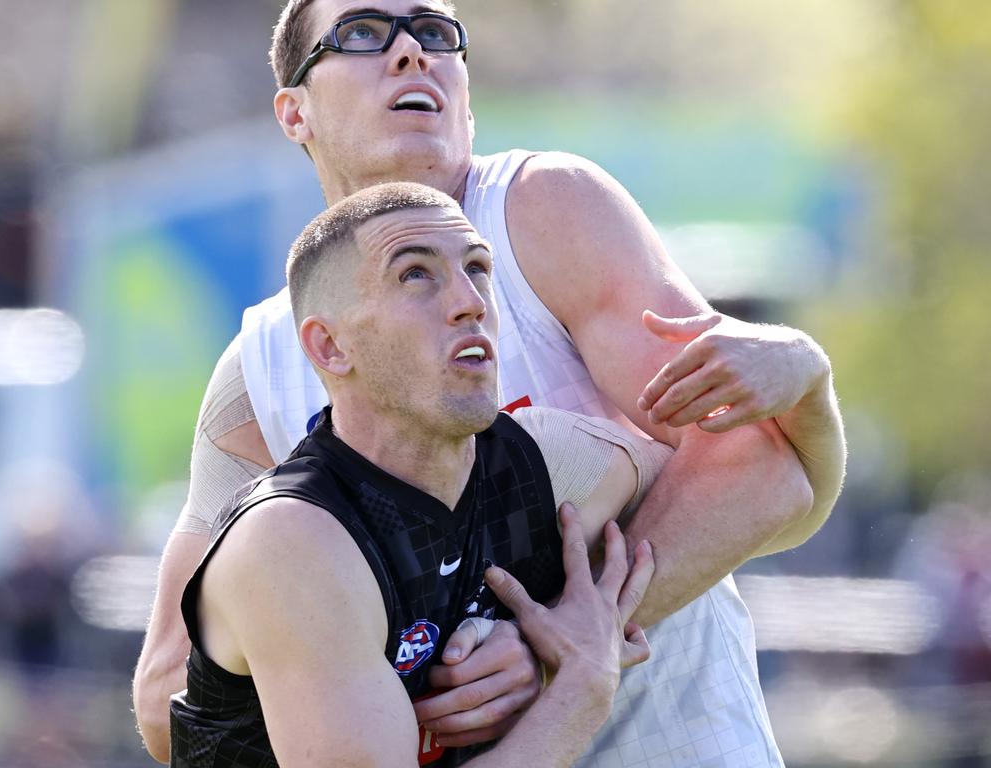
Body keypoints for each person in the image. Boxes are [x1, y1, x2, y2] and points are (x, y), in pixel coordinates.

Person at [134, 2, 847, 765]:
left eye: (436, 33)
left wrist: (550, 642)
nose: (411, 52)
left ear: (467, 100)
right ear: (293, 112)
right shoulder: (260, 370)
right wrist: (369, 682)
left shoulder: (545, 209)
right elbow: (167, 696)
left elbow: (761, 466)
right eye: (365, 33)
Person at [169, 182, 664, 767]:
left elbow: (726, 479)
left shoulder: (545, 460)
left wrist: (543, 635)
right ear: (329, 347)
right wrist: (580, 685)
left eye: (478, 268)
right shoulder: (292, 541)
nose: (471, 300)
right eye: (415, 275)